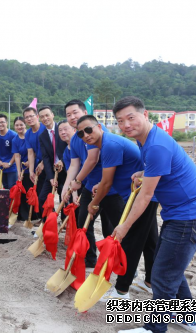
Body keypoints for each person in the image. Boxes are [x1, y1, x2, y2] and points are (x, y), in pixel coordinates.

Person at [113, 97, 196, 333]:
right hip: (179, 213)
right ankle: (190, 319)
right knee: (170, 267)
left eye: (131, 117)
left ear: (144, 115)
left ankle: (154, 329)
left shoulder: (155, 145)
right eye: (120, 121)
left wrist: (124, 227)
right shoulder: (147, 139)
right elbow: (161, 169)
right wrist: (144, 172)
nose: (126, 124)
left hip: (189, 216)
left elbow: (145, 197)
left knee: (162, 275)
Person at [76, 115, 159, 302]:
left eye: (89, 130)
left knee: (132, 240)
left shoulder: (110, 144)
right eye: (81, 133)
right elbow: (108, 179)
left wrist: (93, 203)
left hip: (142, 196)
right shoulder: (107, 144)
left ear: (99, 126)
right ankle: (150, 282)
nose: (86, 135)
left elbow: (106, 183)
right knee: (149, 240)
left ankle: (121, 291)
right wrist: (100, 185)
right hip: (143, 192)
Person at [60, 99, 123, 268]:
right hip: (91, 186)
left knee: (110, 227)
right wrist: (67, 185)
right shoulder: (75, 139)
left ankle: (117, 261)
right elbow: (74, 164)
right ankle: (90, 260)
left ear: (84, 111)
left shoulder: (94, 131)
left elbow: (92, 160)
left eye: (75, 112)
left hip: (110, 187)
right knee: (83, 224)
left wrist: (77, 181)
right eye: (68, 114)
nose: (72, 117)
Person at [38, 106, 67, 216]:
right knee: (42, 198)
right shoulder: (42, 136)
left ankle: (65, 221)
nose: (45, 118)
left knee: (63, 197)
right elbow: (45, 157)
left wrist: (62, 161)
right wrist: (50, 177)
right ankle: (50, 220)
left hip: (65, 169)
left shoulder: (62, 129)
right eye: (42, 117)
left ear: (52, 115)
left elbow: (70, 149)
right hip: (51, 171)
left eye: (47, 115)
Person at [24, 107, 45, 221]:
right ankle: (43, 219)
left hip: (50, 164)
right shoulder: (28, 134)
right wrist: (31, 171)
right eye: (26, 117)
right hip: (39, 166)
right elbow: (30, 153)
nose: (29, 119)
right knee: (41, 193)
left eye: (31, 116)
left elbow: (51, 149)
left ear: (37, 116)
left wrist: (43, 163)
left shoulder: (44, 128)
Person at [12, 116, 31, 222]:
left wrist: (30, 162)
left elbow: (35, 151)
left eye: (21, 124)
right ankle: (24, 216)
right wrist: (19, 172)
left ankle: (36, 216)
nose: (19, 127)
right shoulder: (15, 140)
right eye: (17, 125)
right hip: (23, 169)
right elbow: (17, 156)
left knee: (33, 192)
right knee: (23, 193)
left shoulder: (30, 135)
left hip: (34, 168)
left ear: (25, 125)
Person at [0, 114, 17, 189]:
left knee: (12, 187)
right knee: (5, 187)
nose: (0, 124)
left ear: (6, 123)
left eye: (2, 122)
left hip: (13, 166)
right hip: (2, 166)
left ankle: (13, 201)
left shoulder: (13, 135)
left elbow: (16, 153)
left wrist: (9, 163)